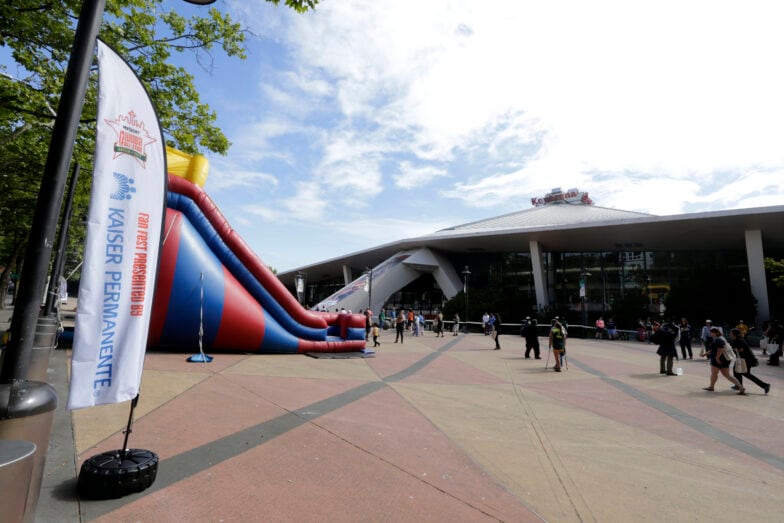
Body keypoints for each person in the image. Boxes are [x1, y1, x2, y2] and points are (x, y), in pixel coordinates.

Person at [703, 327, 745, 394]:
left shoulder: (718, 340)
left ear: (715, 333)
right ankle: (741, 387)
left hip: (718, 360)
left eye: (711, 332)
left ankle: (711, 387)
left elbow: (721, 349)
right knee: (727, 375)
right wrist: (705, 354)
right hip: (725, 360)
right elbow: (714, 349)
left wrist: (717, 358)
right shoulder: (721, 338)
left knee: (714, 374)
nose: (710, 333)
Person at [729, 328, 769, 394]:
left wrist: (731, 349)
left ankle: (765, 385)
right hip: (745, 359)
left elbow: (740, 350)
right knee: (737, 372)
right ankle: (738, 386)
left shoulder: (738, 340)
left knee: (744, 373)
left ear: (734, 334)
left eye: (731, 333)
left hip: (746, 360)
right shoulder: (739, 339)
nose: (730, 334)